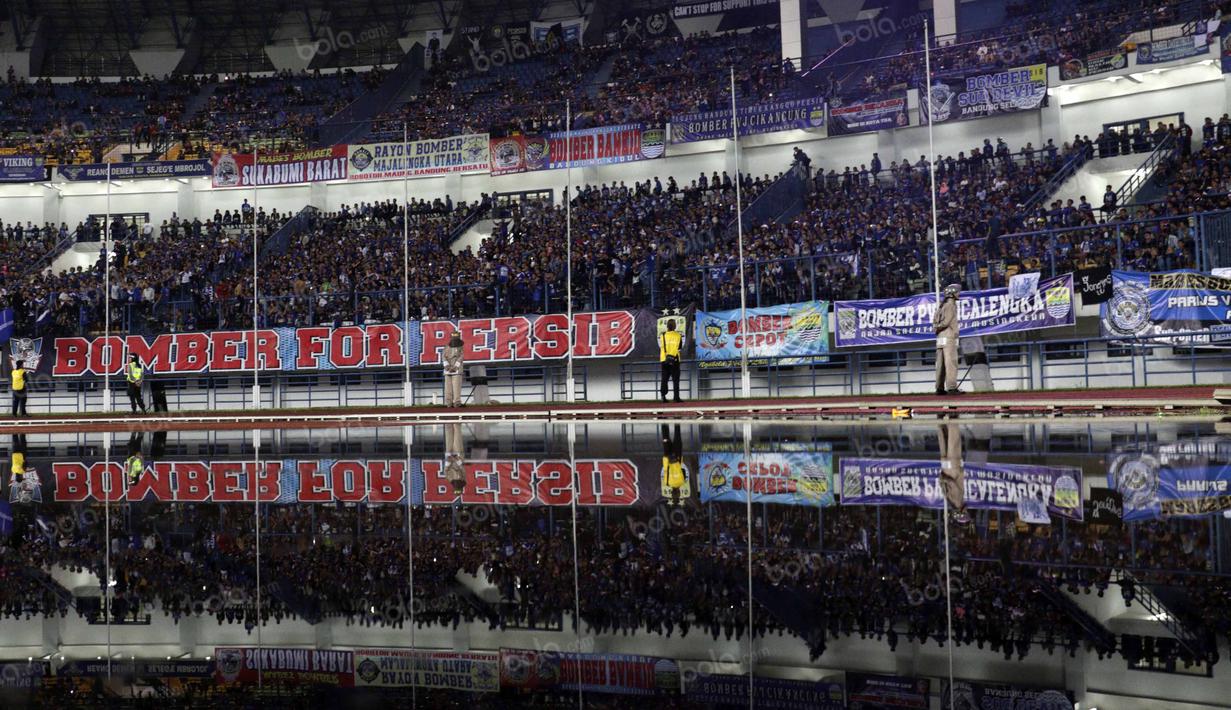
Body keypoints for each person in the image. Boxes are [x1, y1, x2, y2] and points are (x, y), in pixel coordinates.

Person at [934, 284, 961, 395]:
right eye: (958, 292)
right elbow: (946, 322)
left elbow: (935, 321)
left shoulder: (941, 306)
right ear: (953, 293)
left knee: (940, 364)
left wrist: (937, 328)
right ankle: (951, 387)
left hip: (940, 337)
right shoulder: (951, 305)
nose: (959, 294)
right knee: (951, 362)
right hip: (948, 336)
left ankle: (939, 388)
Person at [660, 319, 682, 403]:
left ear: (667, 326)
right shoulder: (678, 335)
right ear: (674, 326)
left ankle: (663, 396)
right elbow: (679, 347)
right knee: (676, 379)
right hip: (675, 359)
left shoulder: (663, 335)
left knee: (664, 379)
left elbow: (661, 346)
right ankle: (676, 397)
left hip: (664, 359)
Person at [443, 333, 464, 407]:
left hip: (457, 370)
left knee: (456, 387)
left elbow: (461, 357)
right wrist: (447, 366)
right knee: (448, 388)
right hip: (448, 369)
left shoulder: (461, 347)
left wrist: (455, 366)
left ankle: (457, 402)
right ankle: (448, 403)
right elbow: (444, 356)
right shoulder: (447, 346)